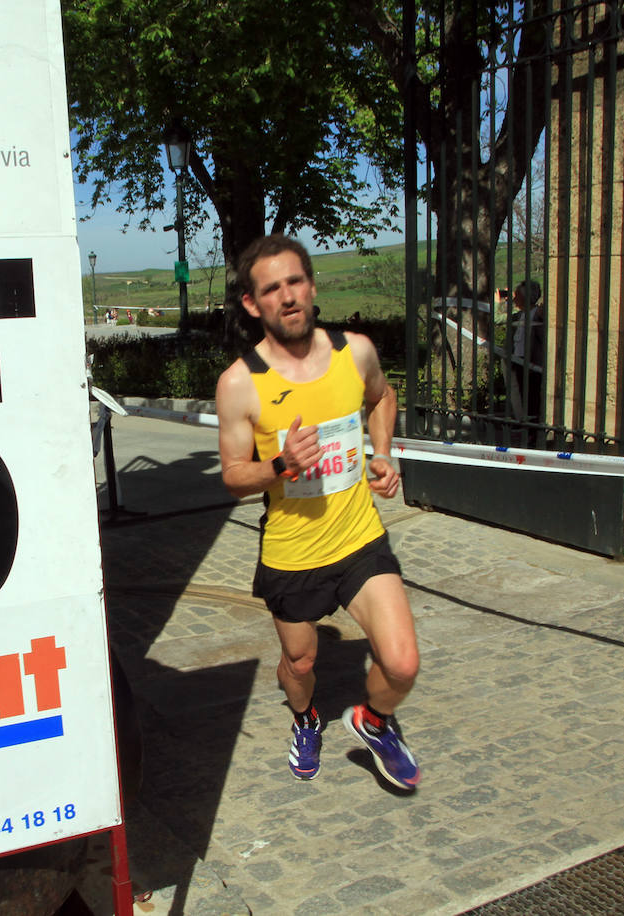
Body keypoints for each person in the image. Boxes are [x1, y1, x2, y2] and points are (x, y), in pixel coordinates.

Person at [215, 235, 420, 789]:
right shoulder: (240, 384)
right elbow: (233, 474)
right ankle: (305, 719)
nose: (287, 296)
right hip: (292, 550)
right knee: (301, 664)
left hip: (357, 538)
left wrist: (382, 453)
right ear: (253, 304)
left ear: (311, 285)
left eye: (295, 282)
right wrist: (279, 465)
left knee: (401, 664)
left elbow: (382, 397)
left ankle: (375, 723)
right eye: (271, 289)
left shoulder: (354, 352)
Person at [507, 279, 545, 439]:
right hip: (517, 360)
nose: (514, 298)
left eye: (517, 295)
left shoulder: (538, 314)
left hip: (532, 363)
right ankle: (525, 426)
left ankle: (532, 432)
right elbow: (495, 319)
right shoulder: (518, 315)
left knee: (532, 397)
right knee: (521, 395)